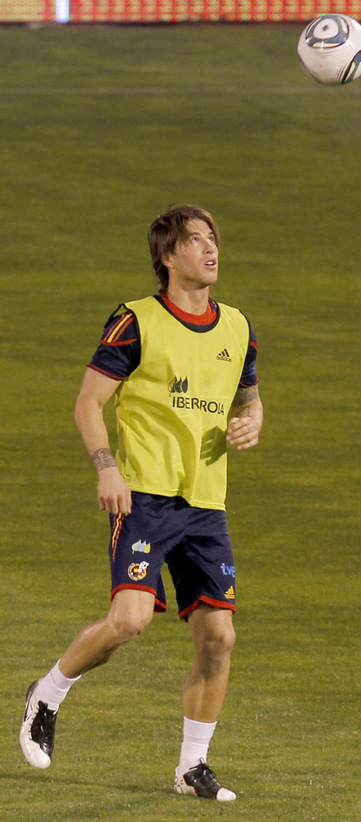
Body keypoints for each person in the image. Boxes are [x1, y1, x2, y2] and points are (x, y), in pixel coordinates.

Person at [20, 204, 263, 802]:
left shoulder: (237, 327)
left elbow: (251, 399)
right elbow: (88, 403)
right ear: (166, 255)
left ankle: (191, 767)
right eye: (196, 241)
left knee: (220, 639)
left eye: (213, 239)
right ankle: (47, 693)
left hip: (206, 504)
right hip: (145, 498)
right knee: (128, 621)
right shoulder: (136, 322)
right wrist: (107, 468)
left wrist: (252, 421)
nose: (211, 250)